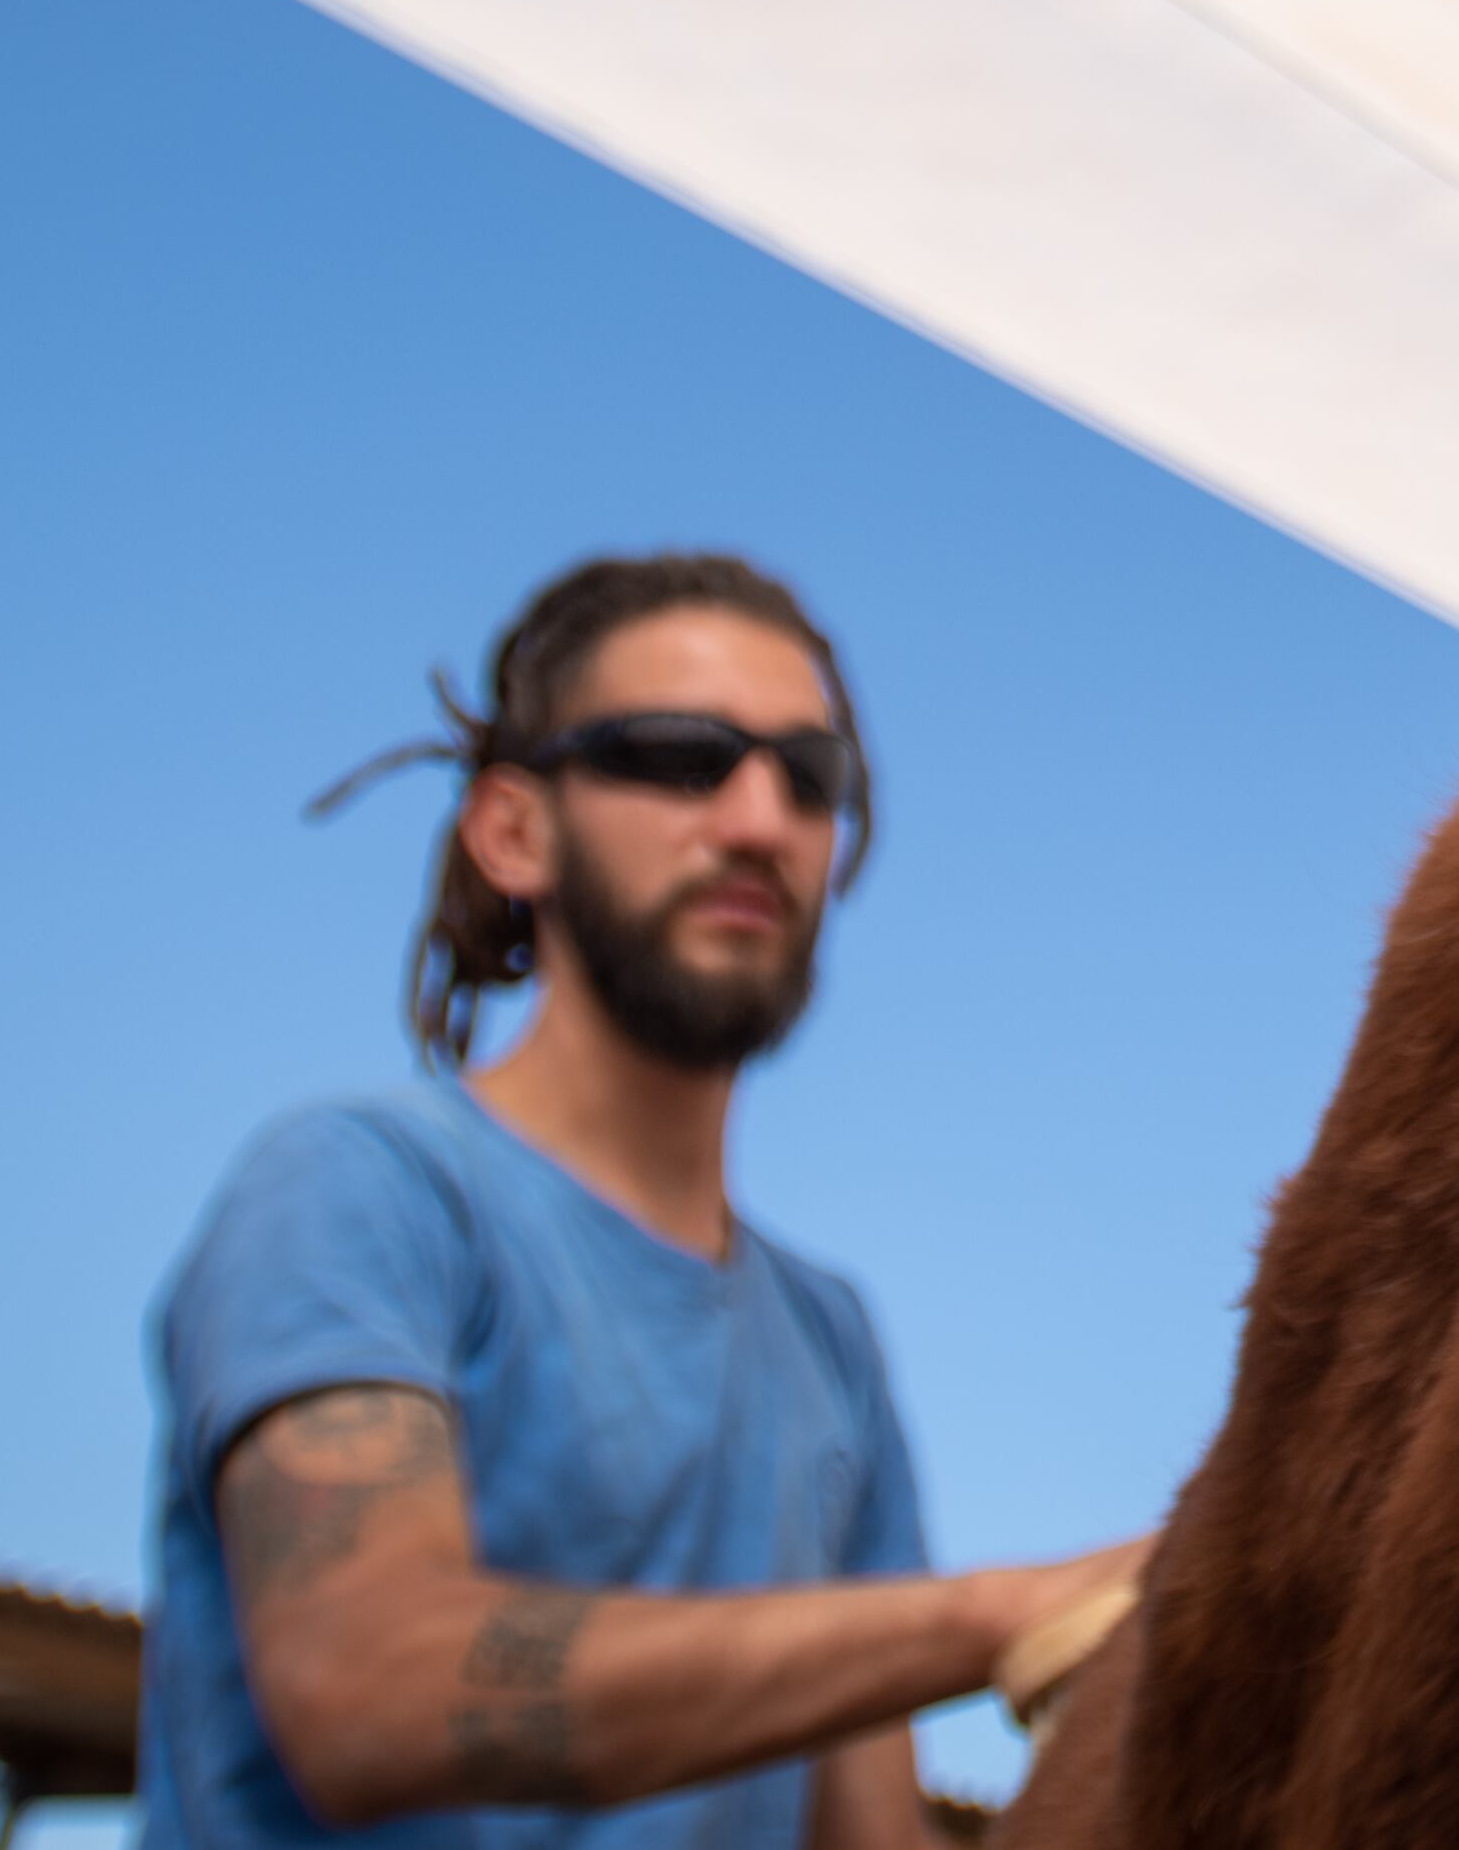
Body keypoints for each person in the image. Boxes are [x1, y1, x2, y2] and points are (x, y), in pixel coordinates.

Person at [140, 551, 1144, 1850]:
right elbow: (363, 1691)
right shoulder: (362, 1188)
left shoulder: (829, 1340)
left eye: (811, 775)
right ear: (514, 829)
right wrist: (999, 1615)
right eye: (678, 754)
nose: (757, 818)